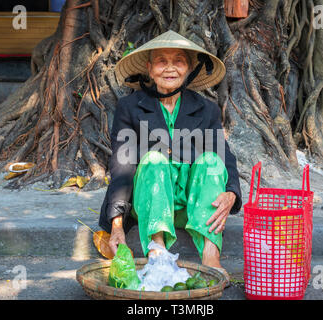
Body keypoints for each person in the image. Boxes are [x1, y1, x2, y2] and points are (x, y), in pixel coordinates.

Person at [98, 30, 242, 279]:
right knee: (154, 158)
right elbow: (121, 163)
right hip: (147, 202)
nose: (170, 68)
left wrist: (231, 191)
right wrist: (117, 223)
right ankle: (157, 252)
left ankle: (210, 254)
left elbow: (223, 154)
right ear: (149, 68)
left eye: (179, 61)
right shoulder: (129, 108)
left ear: (188, 68)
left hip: (190, 204)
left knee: (210, 161)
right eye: (162, 61)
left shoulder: (206, 109)